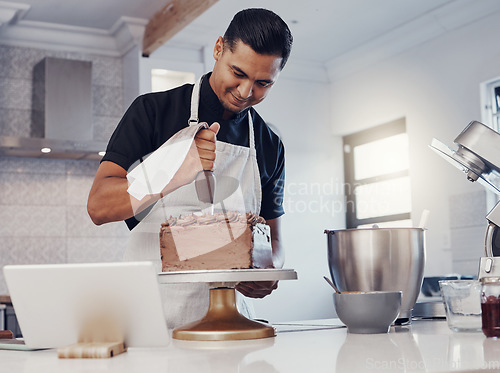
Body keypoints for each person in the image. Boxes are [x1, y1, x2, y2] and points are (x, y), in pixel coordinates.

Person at [87, 8, 293, 328]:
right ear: (218, 48)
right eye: (237, 73)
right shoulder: (152, 112)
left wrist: (267, 271)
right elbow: (99, 206)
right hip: (150, 319)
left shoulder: (269, 145)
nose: (245, 92)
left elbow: (274, 238)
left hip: (231, 327)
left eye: (263, 82)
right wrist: (172, 168)